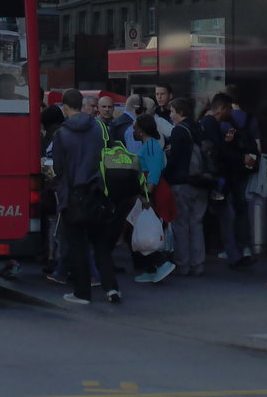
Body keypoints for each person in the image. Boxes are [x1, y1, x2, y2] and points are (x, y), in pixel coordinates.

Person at [51, 88, 121, 305]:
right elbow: (109, 153)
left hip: (74, 195)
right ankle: (112, 289)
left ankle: (82, 293)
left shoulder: (61, 133)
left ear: (65, 107)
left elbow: (59, 168)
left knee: (77, 245)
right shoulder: (98, 127)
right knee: (100, 244)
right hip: (97, 192)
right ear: (82, 104)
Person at [164, 96, 210, 277]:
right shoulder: (199, 127)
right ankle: (198, 264)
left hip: (182, 183)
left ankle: (183, 264)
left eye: (172, 111)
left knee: (181, 225)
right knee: (197, 223)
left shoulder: (178, 131)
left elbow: (174, 161)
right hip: (201, 181)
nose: (170, 115)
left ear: (180, 112)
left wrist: (165, 177)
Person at [210, 92, 257, 269]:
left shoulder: (218, 124)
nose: (232, 111)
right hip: (228, 177)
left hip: (224, 177)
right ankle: (238, 252)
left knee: (229, 215)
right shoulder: (220, 124)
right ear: (221, 108)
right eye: (229, 108)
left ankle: (236, 253)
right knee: (231, 214)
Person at [131, 113, 175, 283]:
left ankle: (160, 263)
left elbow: (154, 173)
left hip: (154, 192)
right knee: (148, 229)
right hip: (151, 191)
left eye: (135, 128)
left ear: (141, 130)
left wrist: (147, 195)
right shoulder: (150, 145)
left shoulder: (150, 146)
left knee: (151, 230)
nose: (133, 131)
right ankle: (152, 267)